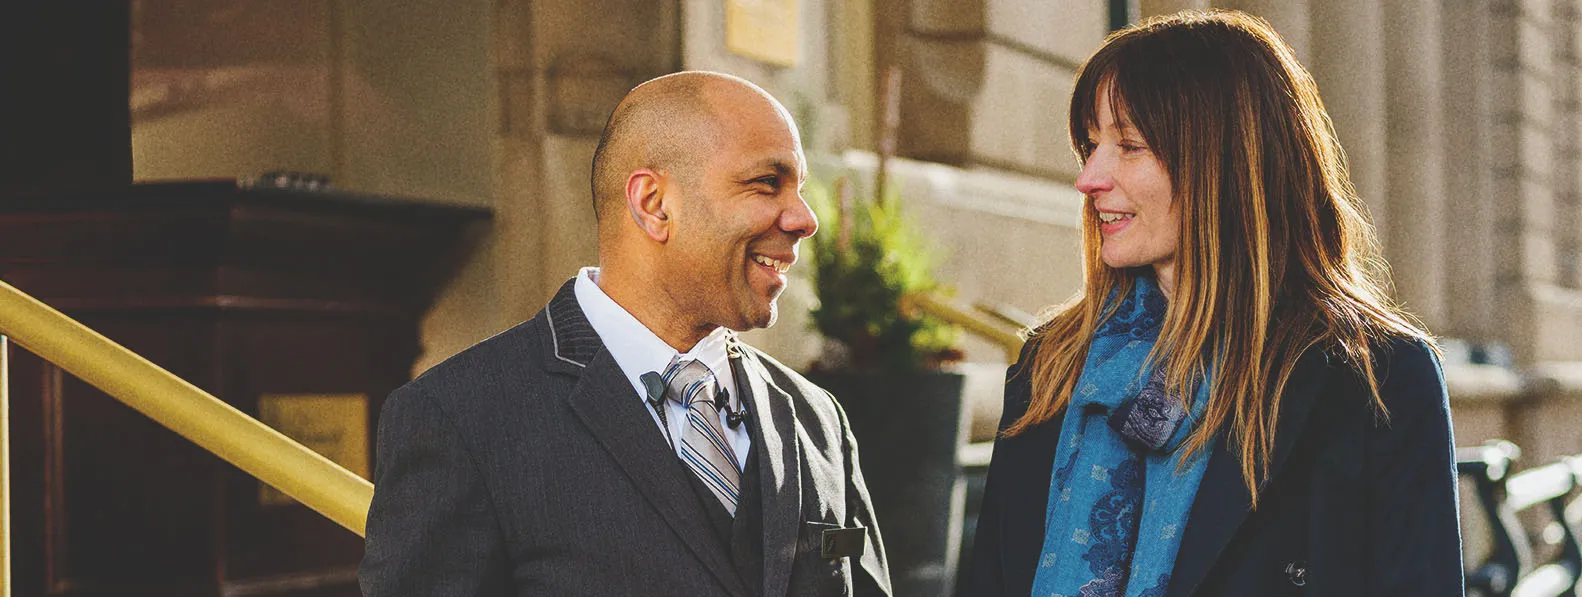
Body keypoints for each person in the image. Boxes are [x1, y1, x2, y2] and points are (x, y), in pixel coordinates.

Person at [963, 10, 1464, 597]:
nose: (1089, 177)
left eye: (1129, 145)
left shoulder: (1372, 377)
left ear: (1221, 162)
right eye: (1090, 145)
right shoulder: (1050, 364)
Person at [361, 71, 890, 596]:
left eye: (799, 188)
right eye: (766, 183)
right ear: (655, 204)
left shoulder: (816, 418)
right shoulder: (459, 419)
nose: (804, 218)